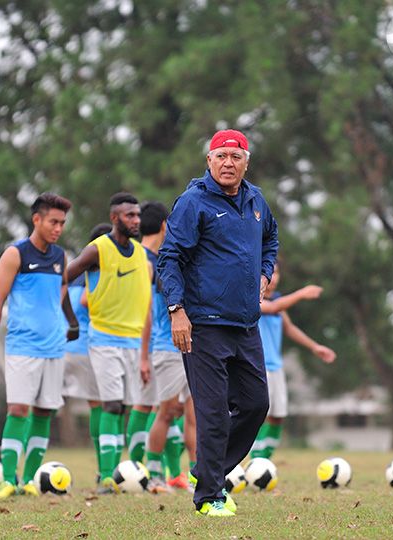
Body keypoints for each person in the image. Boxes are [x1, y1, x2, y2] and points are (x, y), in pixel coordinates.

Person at [158, 128, 279, 517]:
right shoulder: (194, 202)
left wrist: (265, 272)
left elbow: (271, 238)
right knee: (211, 413)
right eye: (221, 156)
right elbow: (169, 258)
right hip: (203, 324)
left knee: (257, 403)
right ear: (209, 161)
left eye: (236, 156)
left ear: (247, 161)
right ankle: (209, 496)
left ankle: (207, 471)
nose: (228, 163)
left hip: (245, 324)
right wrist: (177, 310)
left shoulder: (256, 199)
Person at [0, 193, 77, 499]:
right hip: (22, 345)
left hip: (54, 347)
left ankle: (29, 480)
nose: (58, 228)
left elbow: (62, 289)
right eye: (53, 222)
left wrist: (63, 322)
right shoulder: (15, 254)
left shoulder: (60, 257)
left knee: (45, 412)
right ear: (37, 220)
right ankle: (8, 480)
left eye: (62, 223)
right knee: (18, 409)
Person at [65, 193, 151, 494]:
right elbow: (64, 278)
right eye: (130, 215)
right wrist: (69, 319)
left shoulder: (142, 254)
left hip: (133, 340)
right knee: (111, 406)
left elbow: (155, 290)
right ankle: (106, 476)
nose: (136, 221)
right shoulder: (97, 249)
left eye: (138, 215)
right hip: (103, 339)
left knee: (126, 406)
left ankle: (121, 471)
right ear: (115, 218)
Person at [250, 261, 336, 460]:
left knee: (277, 416)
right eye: (268, 273)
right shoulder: (253, 299)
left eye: (277, 272)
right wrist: (301, 294)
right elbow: (272, 309)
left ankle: (263, 462)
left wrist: (315, 347)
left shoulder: (279, 303)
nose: (274, 278)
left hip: (276, 368)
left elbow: (288, 328)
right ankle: (253, 460)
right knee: (257, 416)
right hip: (257, 367)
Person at [139, 202, 196, 493]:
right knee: (165, 411)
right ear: (166, 225)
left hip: (192, 347)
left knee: (194, 414)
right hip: (166, 346)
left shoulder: (177, 259)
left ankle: (199, 476)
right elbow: (147, 313)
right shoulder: (150, 263)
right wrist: (144, 356)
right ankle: (154, 474)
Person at [62, 223, 111, 483]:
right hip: (84, 347)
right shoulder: (95, 271)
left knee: (40, 407)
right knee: (101, 405)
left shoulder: (75, 273)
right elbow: (85, 301)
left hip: (65, 347)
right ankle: (105, 470)